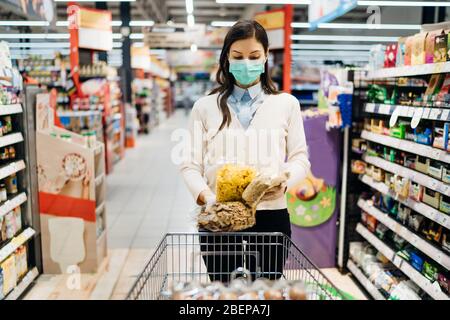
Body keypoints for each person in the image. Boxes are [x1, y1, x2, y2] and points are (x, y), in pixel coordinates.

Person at [180, 20, 310, 282]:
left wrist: (283, 183)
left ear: (265, 58)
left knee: (267, 288)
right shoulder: (205, 107)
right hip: (220, 217)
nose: (246, 63)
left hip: (271, 213)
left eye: (254, 56)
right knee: (224, 288)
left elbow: (299, 159)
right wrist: (208, 198)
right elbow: (190, 165)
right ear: (227, 58)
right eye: (238, 56)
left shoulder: (286, 104)